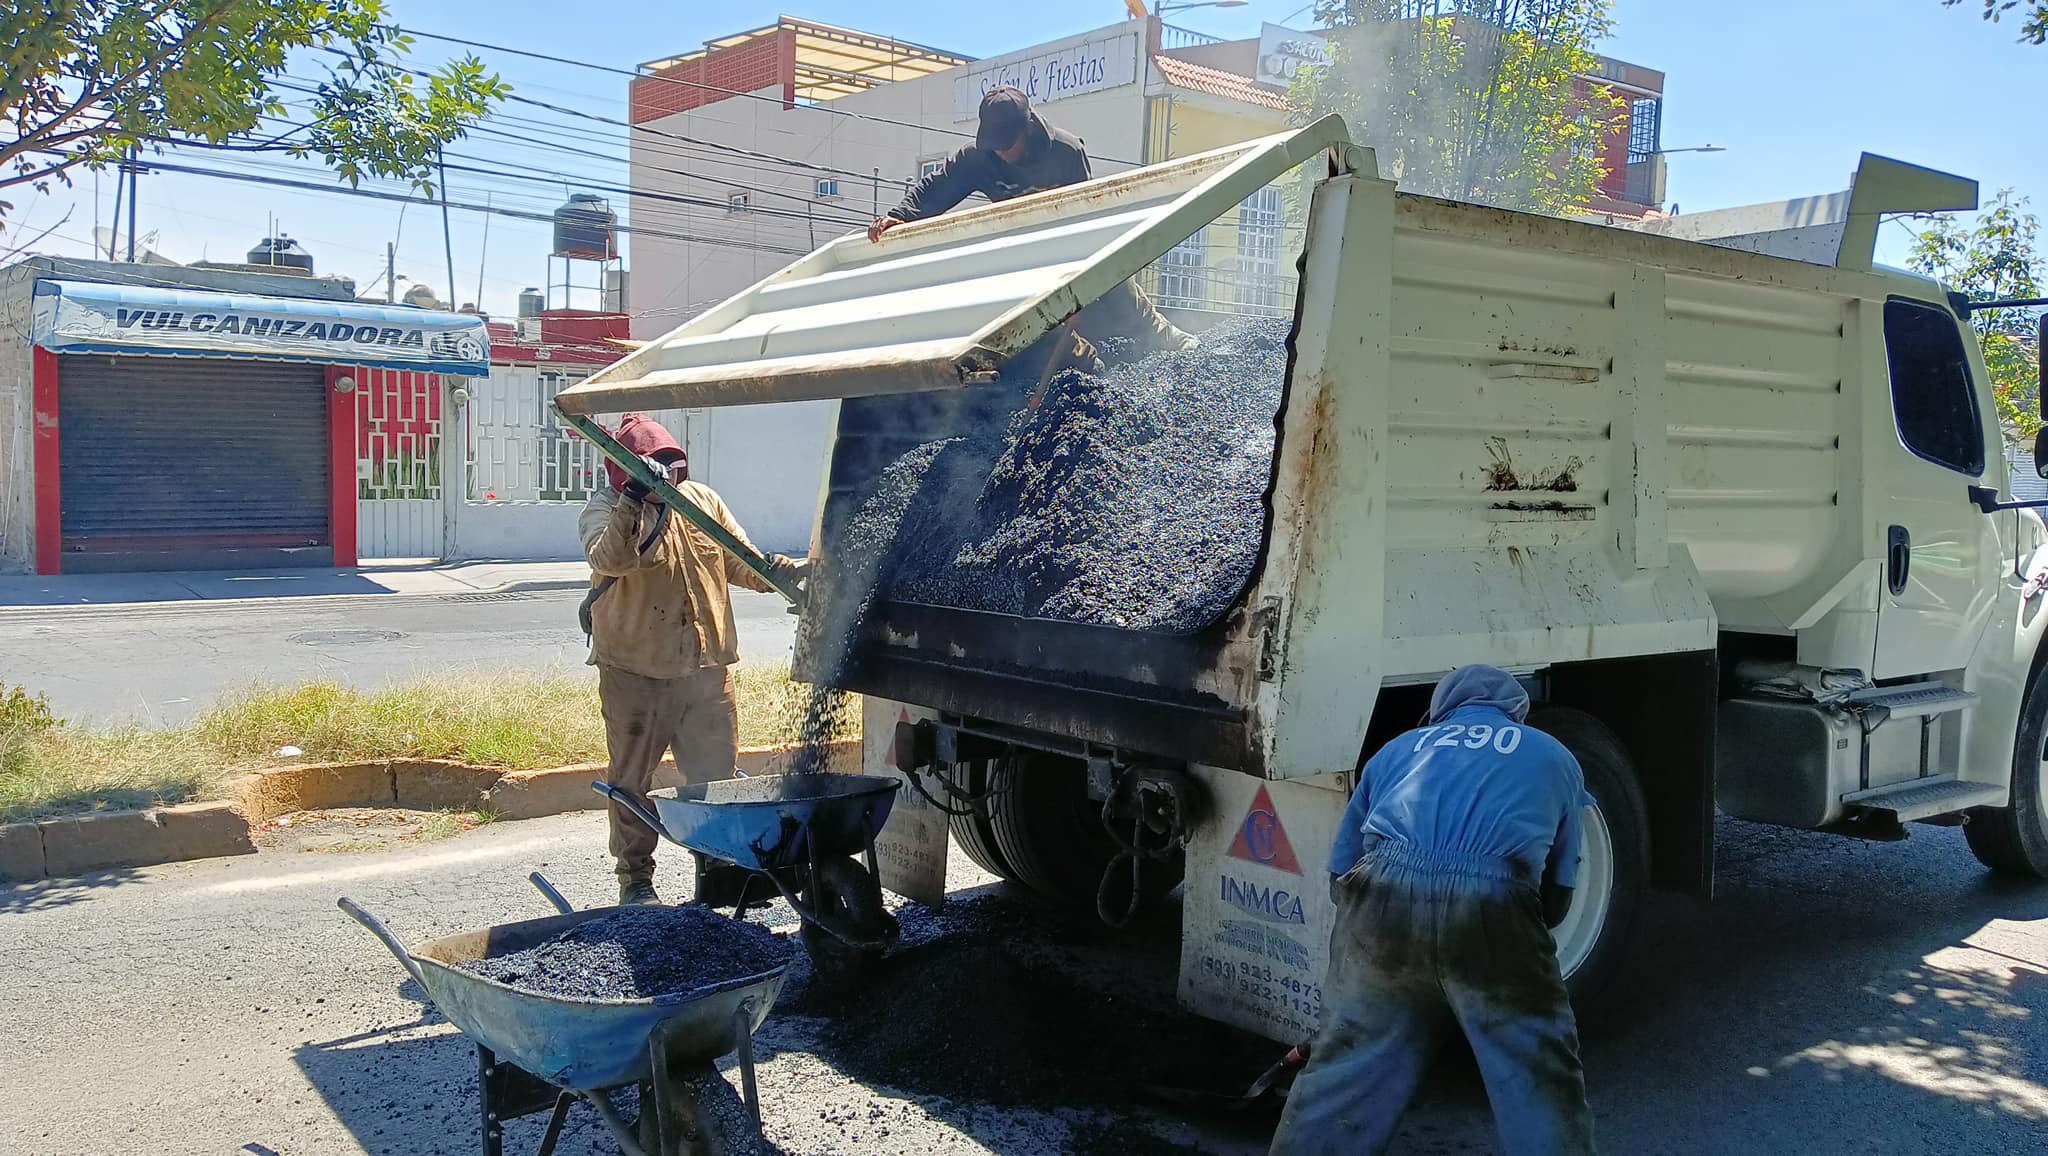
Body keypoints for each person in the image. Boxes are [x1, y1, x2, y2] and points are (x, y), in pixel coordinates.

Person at [1269, 665, 1596, 1156]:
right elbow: (1559, 895)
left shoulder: (1397, 749)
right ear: (1517, 712)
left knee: (1348, 1065)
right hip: (1493, 905)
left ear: (1443, 709)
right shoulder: (1554, 757)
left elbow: (1341, 874)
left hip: (1381, 903)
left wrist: (1376, 970)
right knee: (1536, 1072)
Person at [580, 413, 808, 907]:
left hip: (706, 674)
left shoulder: (702, 502)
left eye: (669, 464)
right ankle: (636, 881)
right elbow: (610, 560)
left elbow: (738, 562)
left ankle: (722, 873)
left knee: (716, 781)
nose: (666, 475)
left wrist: (778, 574)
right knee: (631, 785)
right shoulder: (604, 510)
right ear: (624, 474)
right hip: (637, 677)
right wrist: (633, 502)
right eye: (652, 467)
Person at [867, 84, 1194, 361]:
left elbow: (1086, 222)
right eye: (995, 145)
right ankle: (1090, 372)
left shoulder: (1065, 151)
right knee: (1040, 339)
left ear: (1026, 127)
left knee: (1120, 298)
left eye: (1008, 144)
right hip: (1024, 262)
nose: (1002, 153)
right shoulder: (980, 158)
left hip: (1075, 253)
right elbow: (938, 187)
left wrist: (1075, 290)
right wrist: (901, 216)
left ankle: (1177, 346)